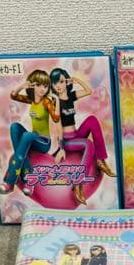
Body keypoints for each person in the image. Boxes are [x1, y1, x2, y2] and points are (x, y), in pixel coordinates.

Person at [49, 68, 116, 205]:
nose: (58, 86)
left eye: (61, 81)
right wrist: (61, 148)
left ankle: (100, 160)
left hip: (75, 135)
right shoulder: (55, 102)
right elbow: (57, 126)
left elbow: (88, 91)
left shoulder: (71, 96)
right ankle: (78, 183)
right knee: (88, 144)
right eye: (55, 83)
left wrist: (76, 80)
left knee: (92, 120)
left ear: (66, 81)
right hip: (67, 141)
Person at [0, 70, 60, 194]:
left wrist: (57, 101)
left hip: (43, 142)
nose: (42, 89)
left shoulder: (46, 101)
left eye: (45, 86)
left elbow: (56, 118)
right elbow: (13, 96)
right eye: (38, 85)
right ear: (32, 85)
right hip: (32, 138)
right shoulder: (31, 100)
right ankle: (29, 177)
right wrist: (22, 86)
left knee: (26, 136)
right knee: (15, 127)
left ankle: (9, 182)